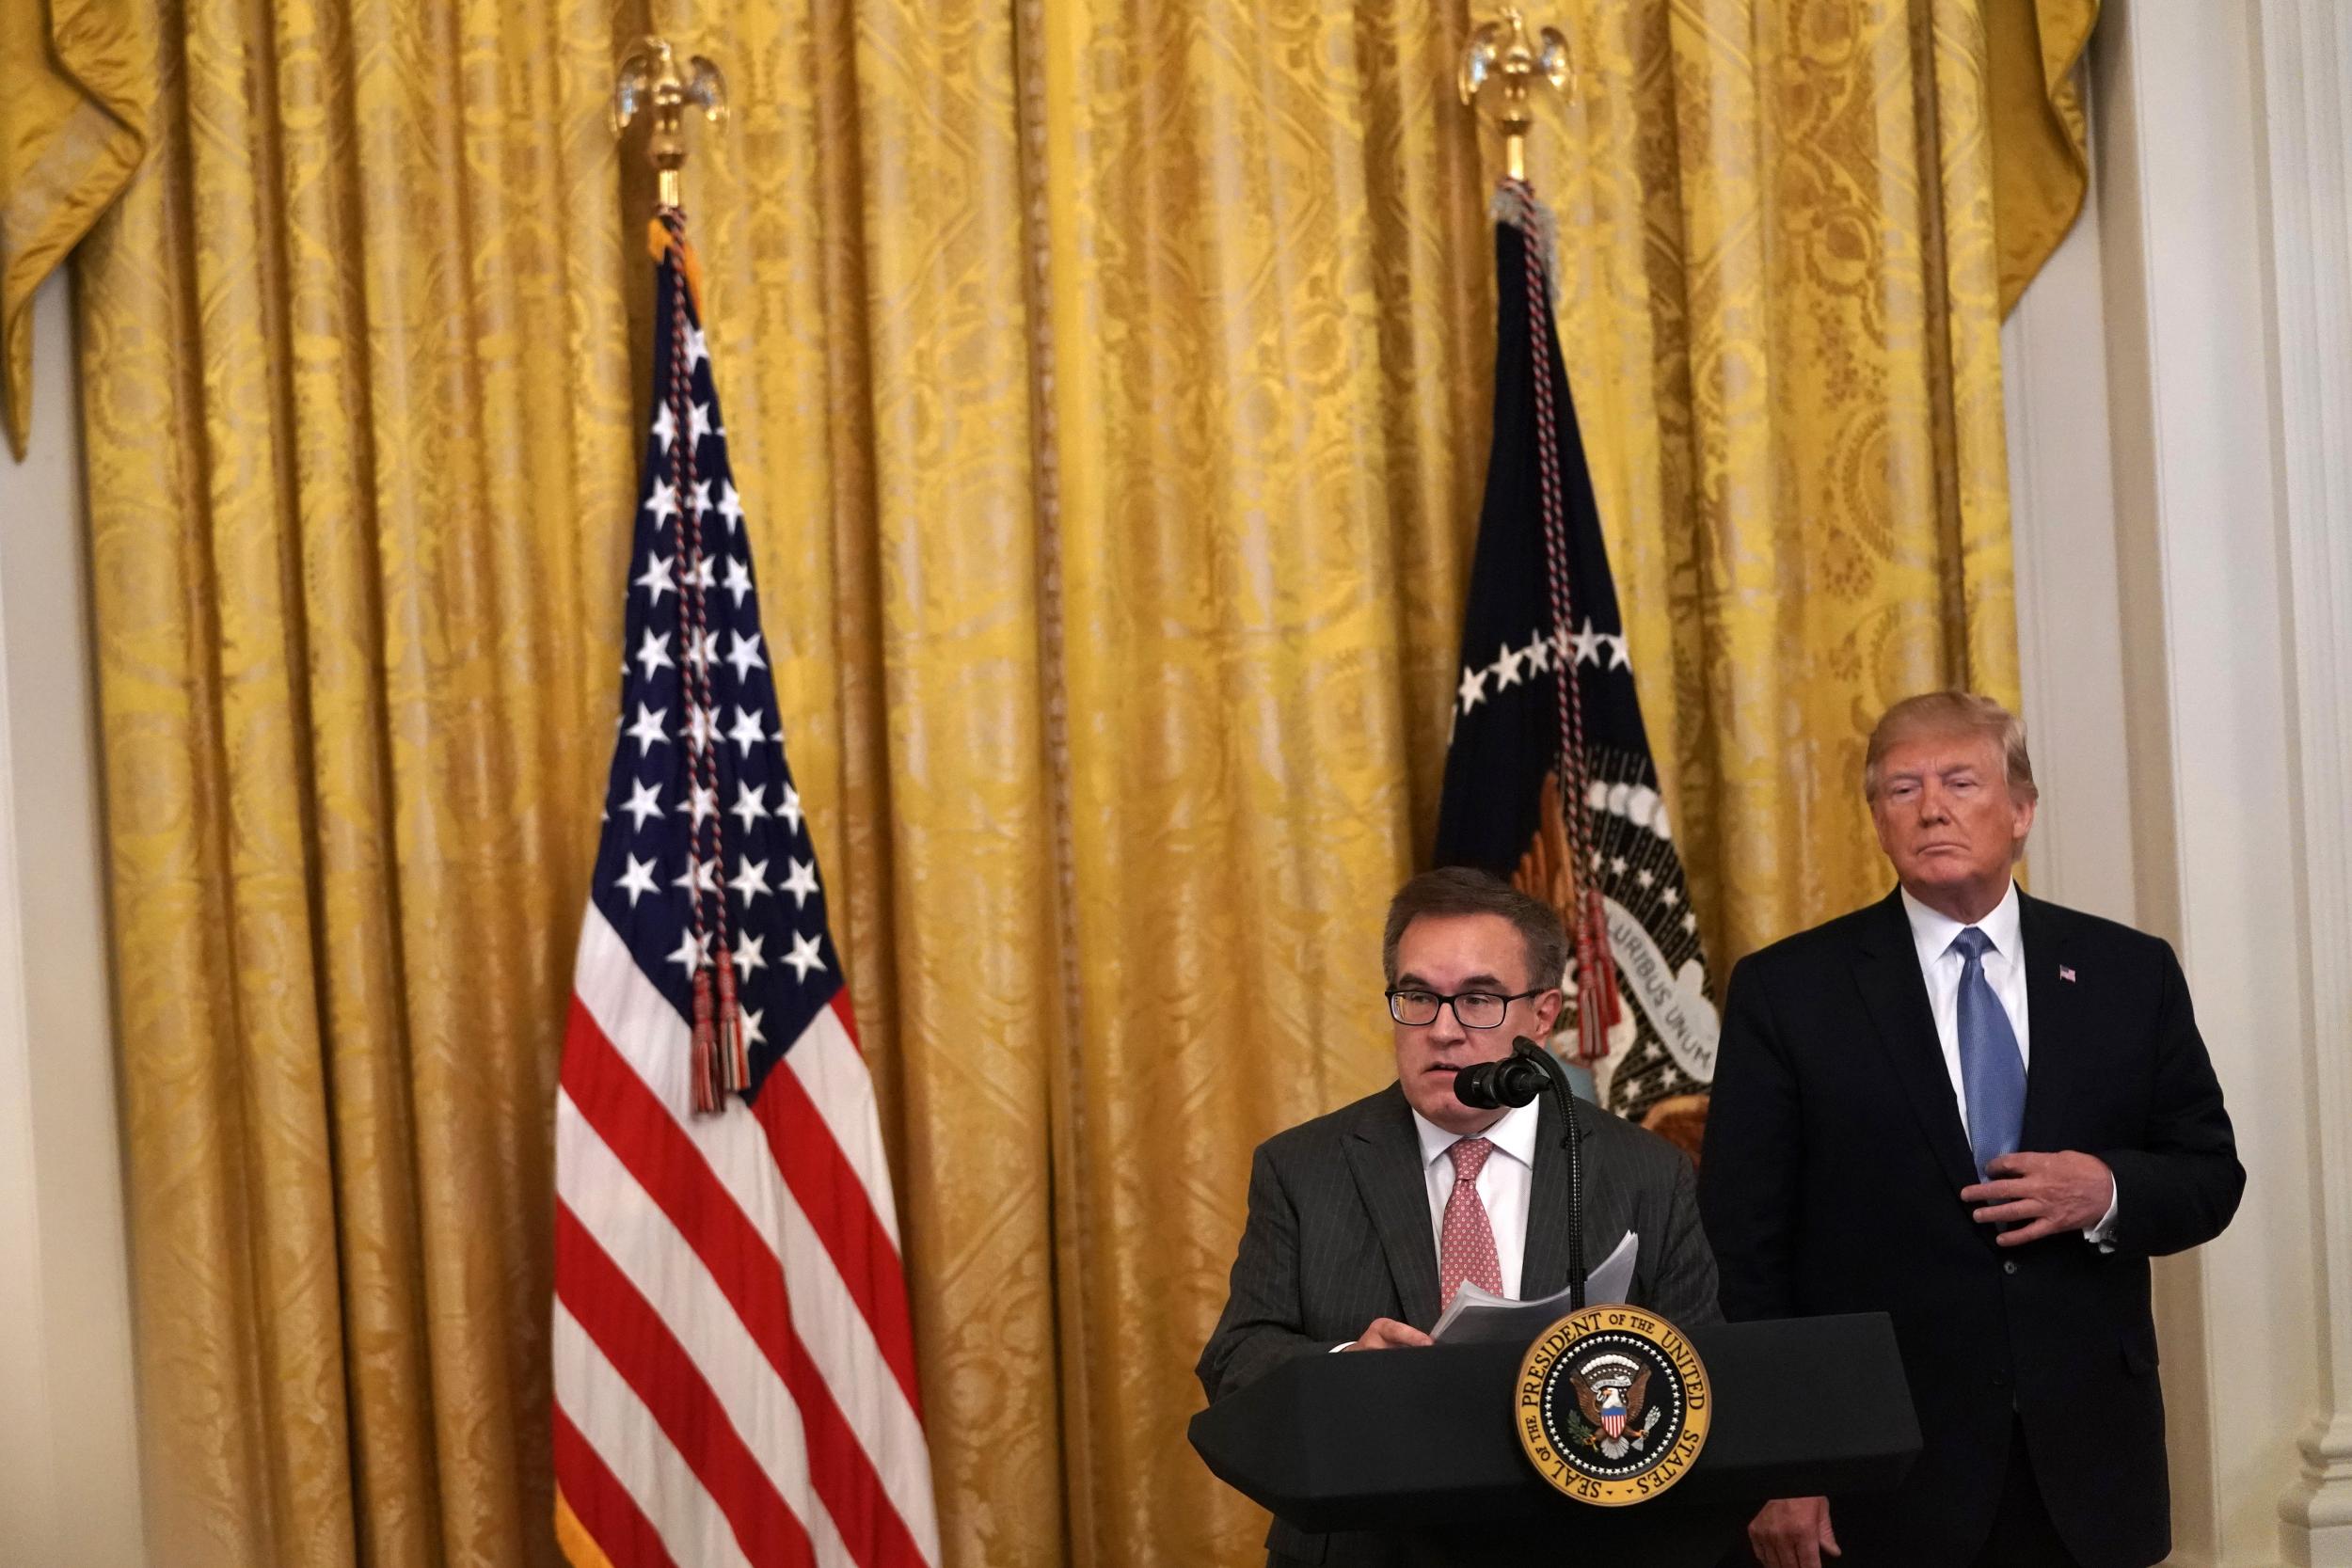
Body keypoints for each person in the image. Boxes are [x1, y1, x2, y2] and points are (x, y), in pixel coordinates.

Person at [1699, 692, 2243, 1568]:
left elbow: (2211, 1174)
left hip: (2088, 1465)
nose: (1932, 807)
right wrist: (1781, 1458)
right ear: (1877, 820)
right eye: (1902, 788)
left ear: (2021, 809)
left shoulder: (2127, 972)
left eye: (1960, 780)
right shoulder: (1789, 991)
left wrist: (2103, 1190)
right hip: (1881, 1471)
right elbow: (1742, 1246)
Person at [1198, 865, 1720, 1568]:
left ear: (1542, 1014)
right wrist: (1349, 1363)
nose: (1443, 1031)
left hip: (1584, 1542)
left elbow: (1706, 1376)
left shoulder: (1646, 1172)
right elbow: (1234, 1360)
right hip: (1366, 1545)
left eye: (1477, 999)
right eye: (1417, 996)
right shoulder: (1302, 1166)